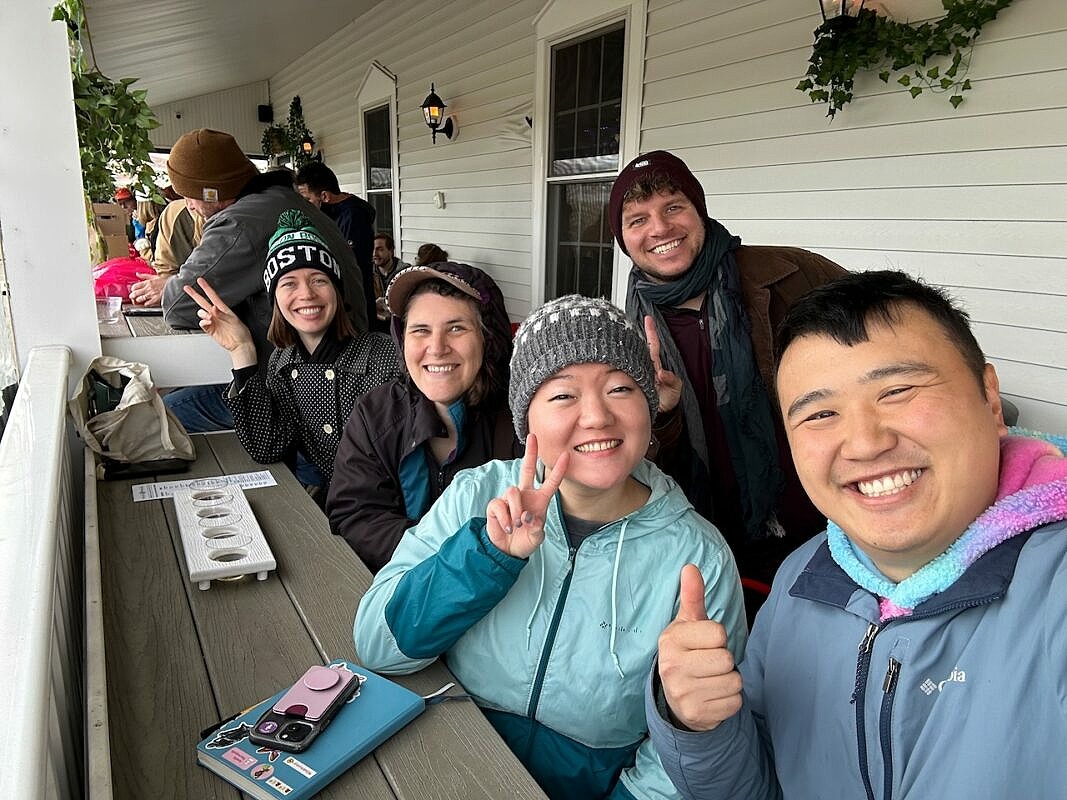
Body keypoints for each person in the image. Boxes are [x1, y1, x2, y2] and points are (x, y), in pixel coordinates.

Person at [647, 270, 1067, 800]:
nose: (865, 443)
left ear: (988, 398)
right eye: (821, 413)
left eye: (897, 391)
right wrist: (694, 724)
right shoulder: (803, 577)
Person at [354, 295, 746, 800]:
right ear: (526, 419)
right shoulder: (477, 495)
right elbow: (378, 644)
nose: (597, 417)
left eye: (621, 388)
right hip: (444, 759)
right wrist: (486, 557)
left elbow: (688, 749)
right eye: (563, 395)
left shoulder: (699, 557)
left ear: (649, 408)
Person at [609, 149, 847, 600]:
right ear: (624, 239)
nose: (660, 228)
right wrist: (663, 414)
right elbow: (636, 465)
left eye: (673, 207)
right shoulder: (626, 336)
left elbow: (892, 330)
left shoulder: (794, 275)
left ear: (699, 211)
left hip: (825, 528)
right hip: (713, 548)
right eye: (637, 219)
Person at [126, 128, 368, 433]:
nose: (188, 204)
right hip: (335, 375)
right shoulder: (282, 202)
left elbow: (178, 306)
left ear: (212, 192)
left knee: (157, 418)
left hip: (306, 392)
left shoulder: (241, 223)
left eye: (190, 195)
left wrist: (172, 283)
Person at [182, 209, 397, 493]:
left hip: (393, 515)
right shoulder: (282, 363)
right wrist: (242, 350)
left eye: (319, 280)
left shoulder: (387, 355)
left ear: (337, 291)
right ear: (275, 299)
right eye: (289, 283)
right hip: (334, 510)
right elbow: (267, 446)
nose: (306, 294)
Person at [327, 262, 515, 571]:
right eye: (421, 330)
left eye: (456, 328)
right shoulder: (377, 413)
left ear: (487, 338)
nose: (437, 348)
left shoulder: (522, 420)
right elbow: (356, 513)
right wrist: (442, 559)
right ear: (403, 340)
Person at [295, 161, 377, 328]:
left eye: (307, 200)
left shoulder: (353, 217)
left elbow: (352, 267)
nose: (304, 207)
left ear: (325, 196)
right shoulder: (331, 213)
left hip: (353, 303)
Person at [370, 232, 409, 328]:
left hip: (399, 325)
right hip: (375, 324)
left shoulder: (405, 273)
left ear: (391, 251)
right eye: (373, 249)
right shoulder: (367, 273)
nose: (375, 254)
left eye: (379, 249)